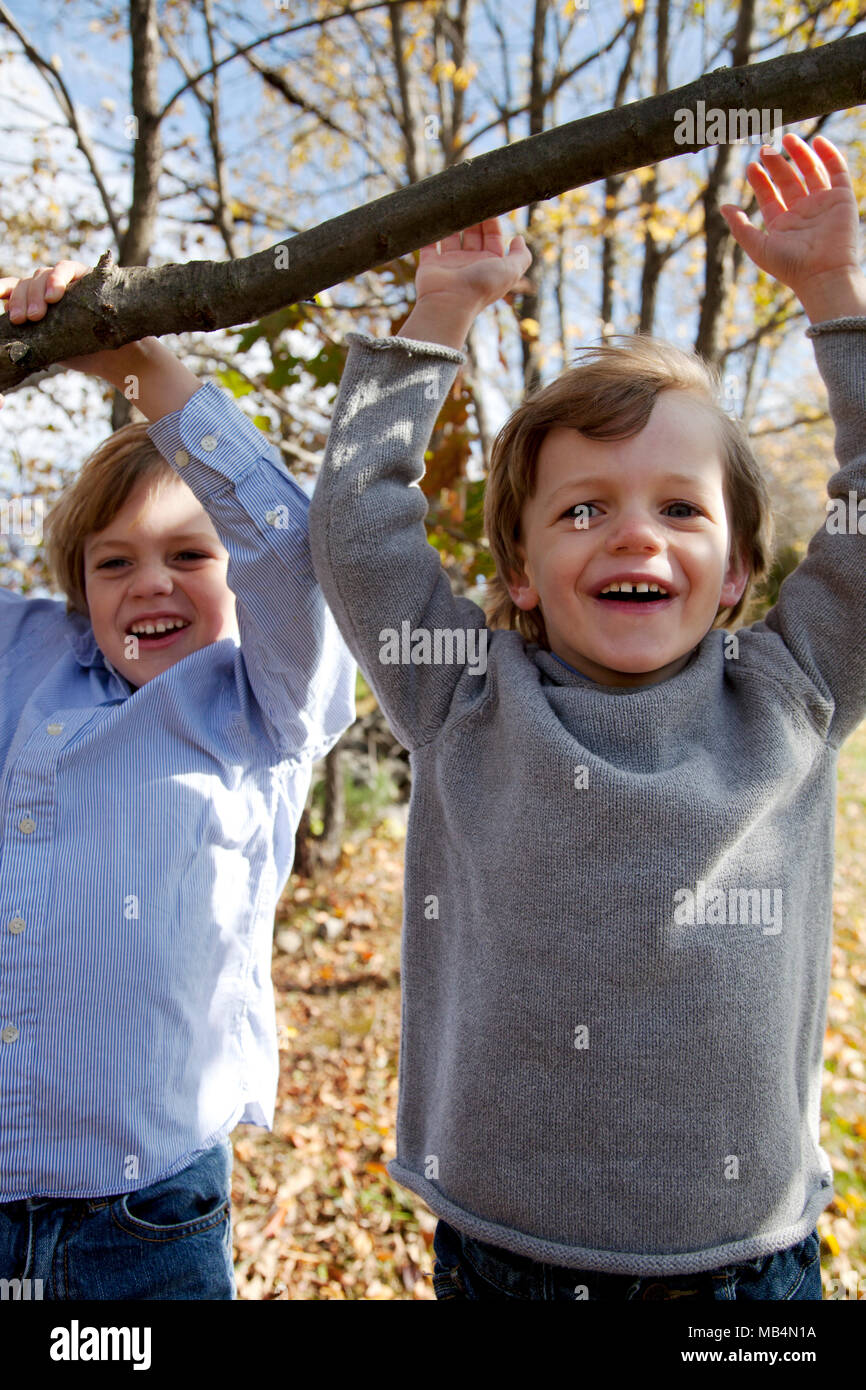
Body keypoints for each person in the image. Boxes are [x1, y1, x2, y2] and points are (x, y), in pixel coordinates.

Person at [308, 132, 866, 1300]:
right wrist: (436, 317)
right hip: (502, 1257)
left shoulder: (790, 693)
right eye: (580, 511)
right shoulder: (464, 697)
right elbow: (358, 526)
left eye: (678, 507)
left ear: (733, 575)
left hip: (739, 1265)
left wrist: (833, 296)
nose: (632, 535)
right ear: (516, 569)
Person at [0, 262, 356, 1299]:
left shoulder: (259, 705)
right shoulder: (30, 657)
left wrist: (143, 364)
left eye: (188, 554)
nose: (148, 582)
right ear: (77, 591)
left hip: (144, 1220)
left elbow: (290, 552)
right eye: (113, 563)